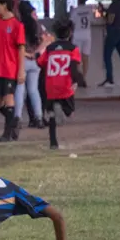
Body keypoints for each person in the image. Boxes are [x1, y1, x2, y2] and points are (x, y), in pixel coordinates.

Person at [36, 19, 86, 150]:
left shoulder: (50, 49)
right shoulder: (73, 49)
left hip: (51, 85)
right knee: (70, 112)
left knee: (51, 114)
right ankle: (64, 111)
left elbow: (39, 63)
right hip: (65, 84)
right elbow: (74, 67)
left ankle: (53, 142)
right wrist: (77, 81)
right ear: (70, 33)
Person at [0, 0, 25, 143]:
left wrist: (21, 70)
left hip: (10, 68)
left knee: (9, 98)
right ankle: (14, 121)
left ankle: (6, 134)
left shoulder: (17, 25)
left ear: (5, 5)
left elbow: (21, 48)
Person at [13, 0, 44, 129]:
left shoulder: (18, 25)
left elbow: (17, 46)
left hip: (23, 61)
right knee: (34, 90)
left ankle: (17, 118)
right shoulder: (37, 25)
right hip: (35, 62)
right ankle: (39, 117)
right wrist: (35, 53)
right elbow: (44, 41)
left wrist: (26, 54)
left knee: (20, 90)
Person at [71, 0, 96, 84]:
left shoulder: (75, 10)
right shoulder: (89, 9)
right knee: (85, 57)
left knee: (76, 58)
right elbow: (93, 20)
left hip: (77, 34)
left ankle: (77, 78)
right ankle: (84, 78)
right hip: (87, 34)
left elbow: (72, 23)